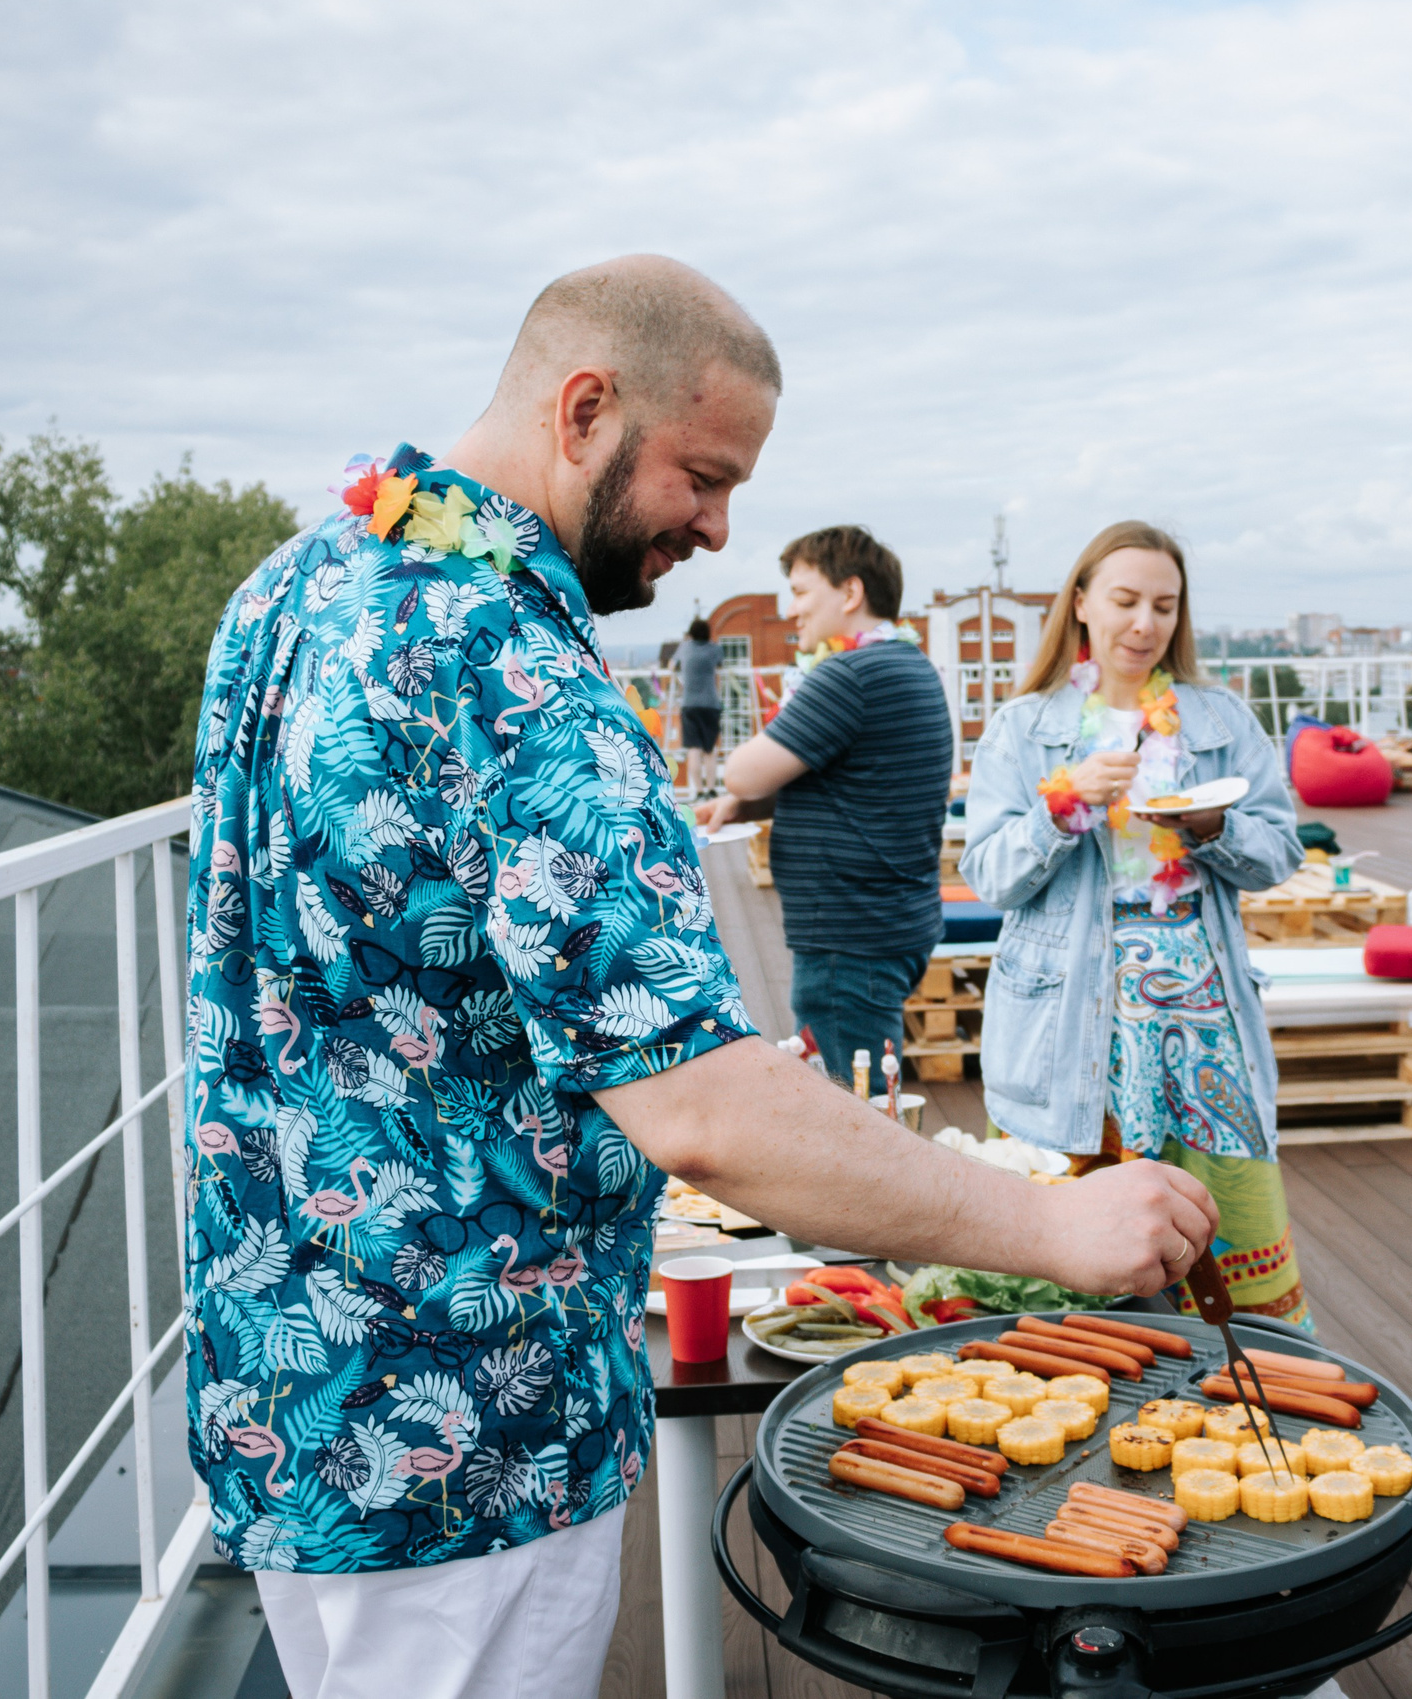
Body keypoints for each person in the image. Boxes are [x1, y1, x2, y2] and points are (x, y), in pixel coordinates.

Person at [184, 257, 1217, 1699]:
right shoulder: (513, 669)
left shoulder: (297, 582)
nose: (722, 526)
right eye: (704, 475)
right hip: (462, 1429)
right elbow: (707, 1114)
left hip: (292, 1382)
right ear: (586, 407)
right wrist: (1053, 1224)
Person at [960, 521, 1314, 1325]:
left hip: (1202, 1019)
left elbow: (1279, 851)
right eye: (1124, 600)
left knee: (1233, 1244)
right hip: (1068, 1018)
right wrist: (1065, 802)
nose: (1144, 623)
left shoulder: (1220, 721)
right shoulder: (1025, 727)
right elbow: (989, 874)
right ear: (1081, 603)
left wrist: (1213, 827)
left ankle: (1248, 1389)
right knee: (1066, 1268)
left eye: (1163, 604)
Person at [694, 525, 956, 1073]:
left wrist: (740, 793)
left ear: (850, 593)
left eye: (802, 591)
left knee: (852, 1105)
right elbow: (860, 781)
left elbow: (742, 771)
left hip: (849, 936)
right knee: (858, 1082)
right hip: (890, 921)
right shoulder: (908, 664)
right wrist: (746, 808)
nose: (792, 610)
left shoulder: (850, 674)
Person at [674, 613, 723, 795]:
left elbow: (673, 665)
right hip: (711, 703)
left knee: (694, 749)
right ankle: (711, 788)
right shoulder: (715, 649)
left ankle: (699, 790)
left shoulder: (685, 648)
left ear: (691, 634)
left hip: (689, 704)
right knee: (710, 750)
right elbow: (720, 665)